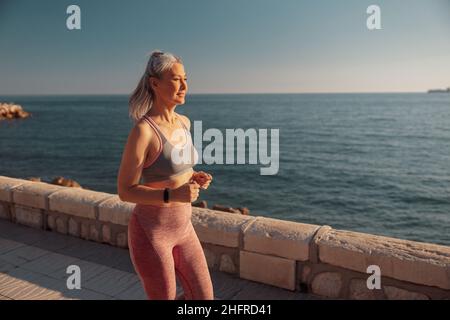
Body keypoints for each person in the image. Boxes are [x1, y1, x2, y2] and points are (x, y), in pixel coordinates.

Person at [117, 50, 214, 300]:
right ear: (155, 83)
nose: (184, 85)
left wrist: (194, 178)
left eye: (185, 78)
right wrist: (173, 194)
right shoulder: (144, 131)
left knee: (203, 298)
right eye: (176, 79)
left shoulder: (184, 122)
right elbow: (125, 191)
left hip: (184, 229)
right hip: (152, 234)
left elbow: (178, 169)